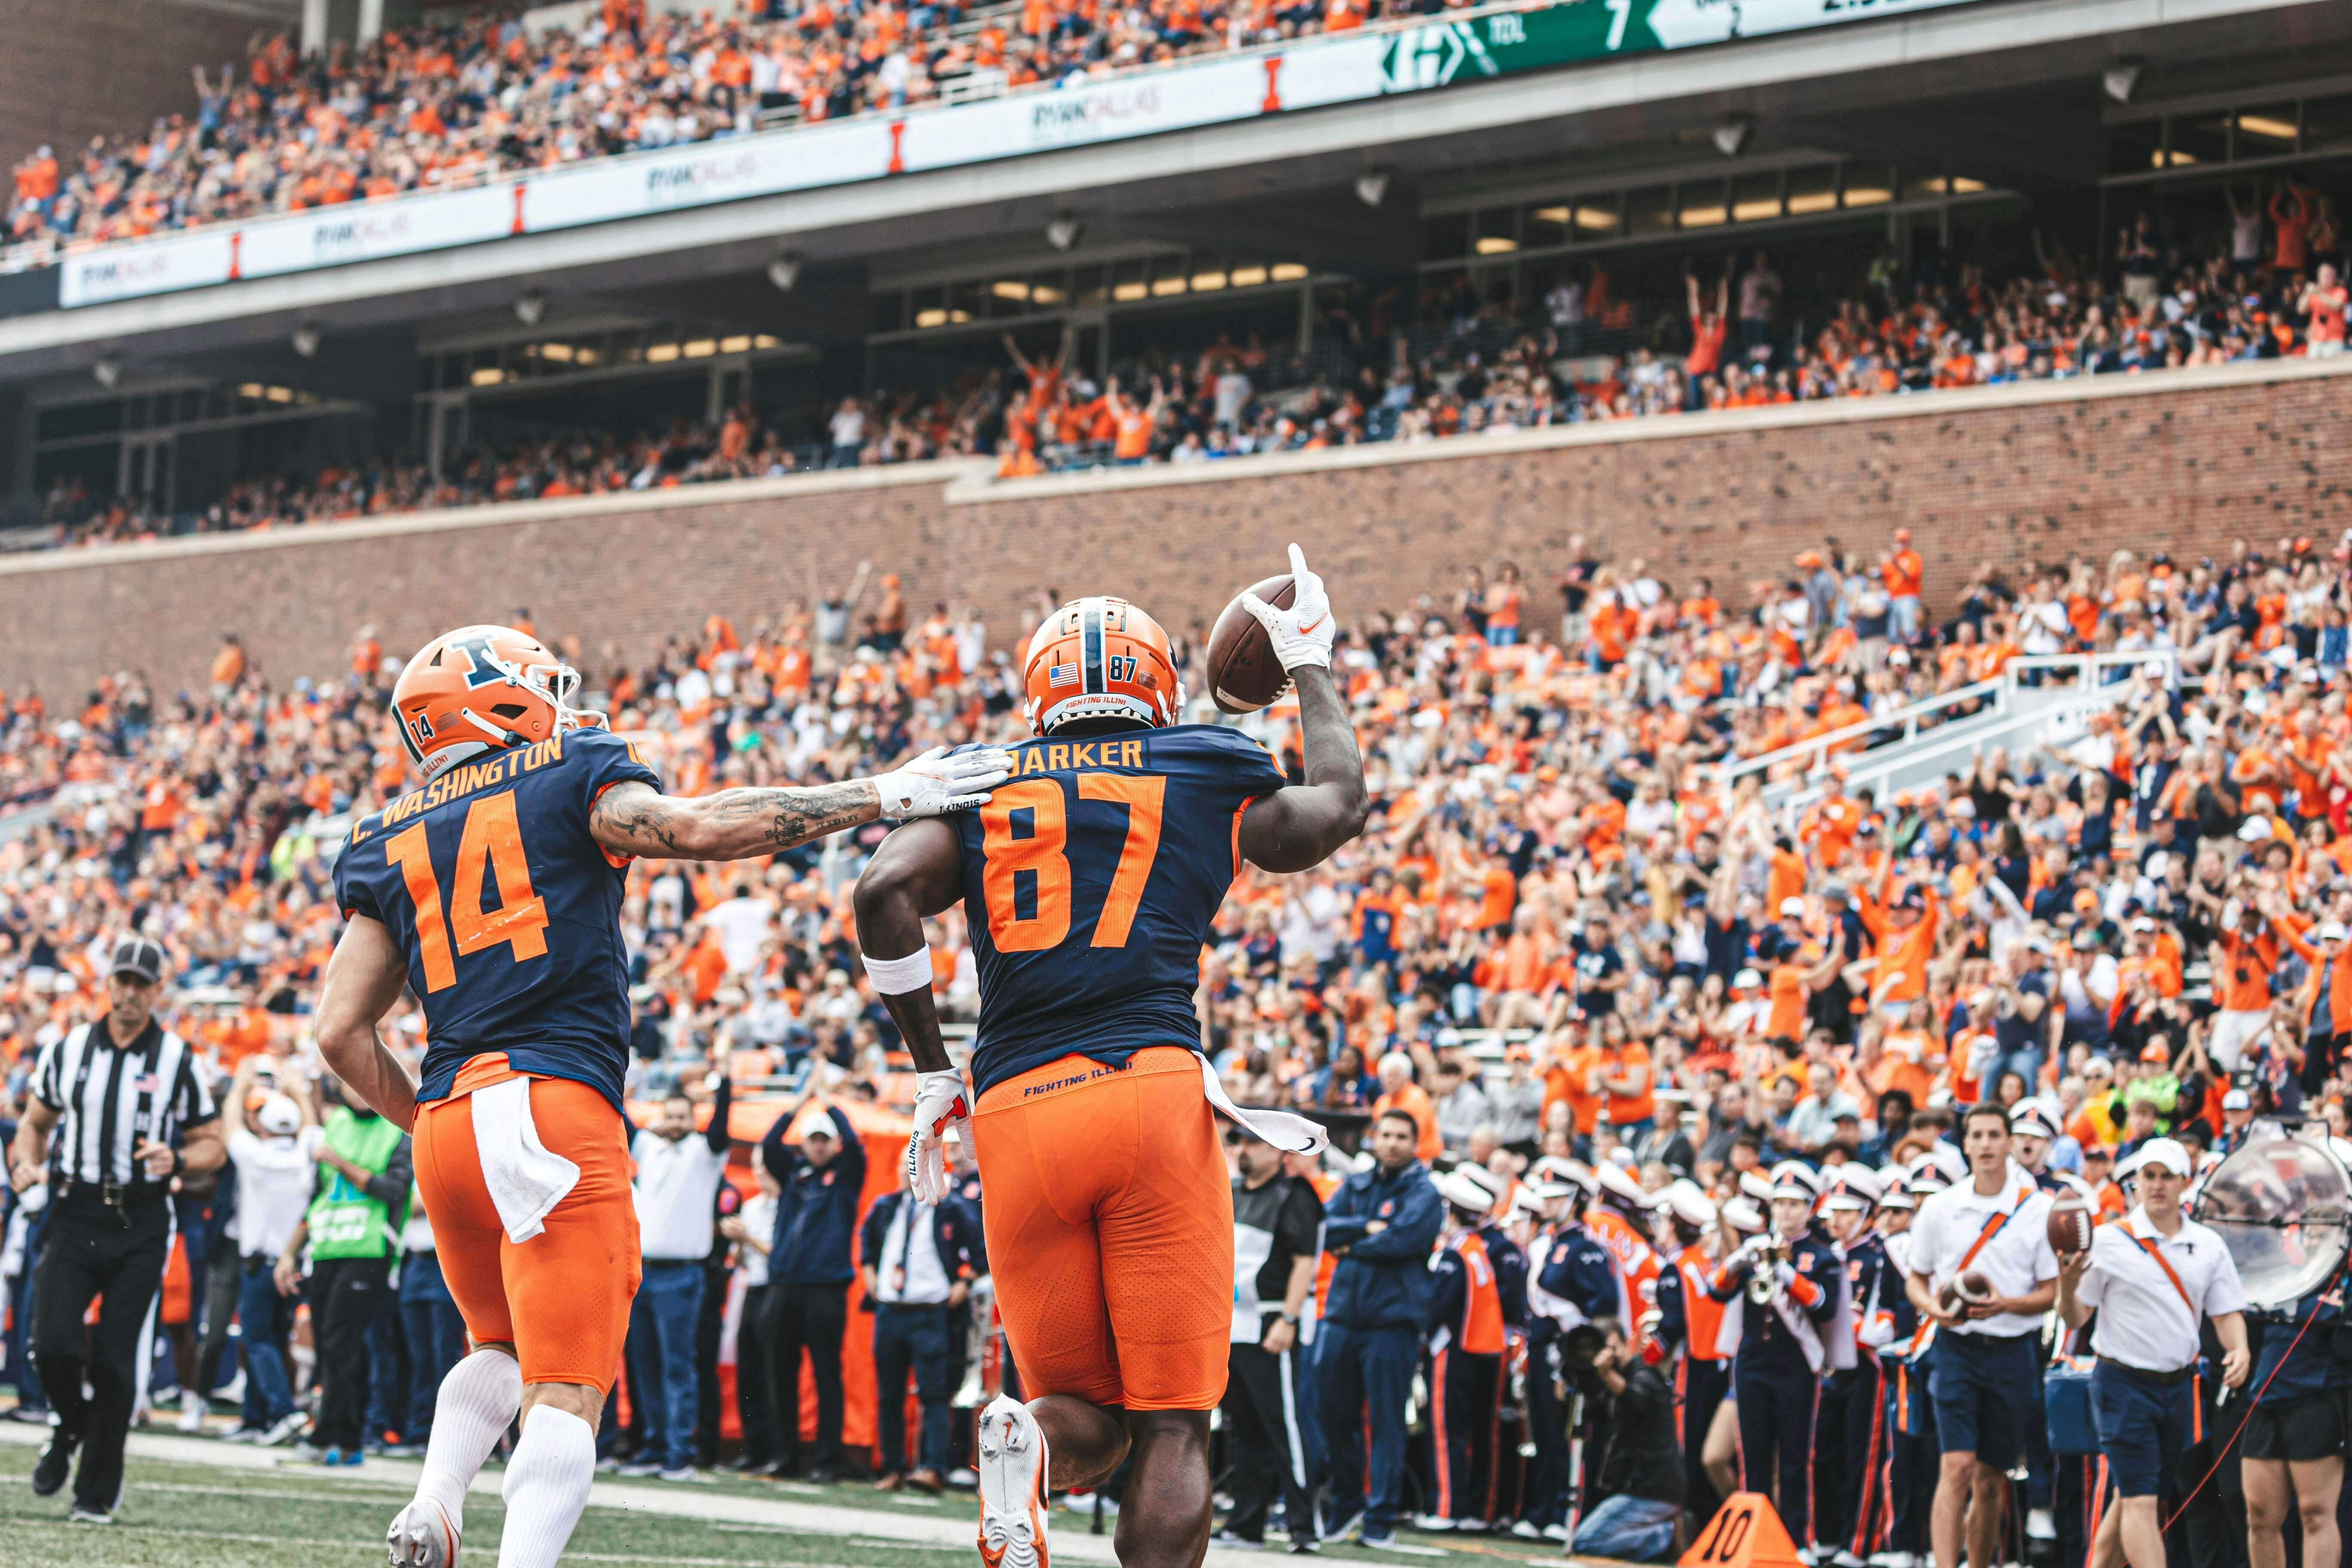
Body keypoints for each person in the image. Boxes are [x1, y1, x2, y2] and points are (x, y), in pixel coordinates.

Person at [310, 623, 1010, 1568]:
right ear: (497, 702)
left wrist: (438, 1118)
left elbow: (338, 1033)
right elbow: (700, 829)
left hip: (446, 1123)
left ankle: (437, 1505)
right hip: (551, 1101)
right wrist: (881, 794)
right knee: (566, 1386)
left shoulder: (382, 833)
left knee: (500, 1347)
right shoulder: (568, 767)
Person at [852, 549, 1366, 1568]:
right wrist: (1307, 664)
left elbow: (879, 895)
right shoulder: (1203, 761)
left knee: (1083, 1416)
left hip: (1013, 1109)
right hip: (1144, 1093)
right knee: (1174, 1424)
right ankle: (1032, 1451)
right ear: (1156, 680)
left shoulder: (982, 772)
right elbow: (1332, 808)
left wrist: (929, 1067)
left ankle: (1028, 1447)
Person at [6, 936, 227, 1525]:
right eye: (121, 981)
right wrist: (23, 1162)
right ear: (108, 985)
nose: (129, 993)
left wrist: (176, 1158)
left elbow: (213, 1144)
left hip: (142, 1219)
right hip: (75, 1211)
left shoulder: (178, 1059)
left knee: (113, 1360)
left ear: (157, 991)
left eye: (141, 983)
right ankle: (70, 1425)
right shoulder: (69, 1049)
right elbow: (34, 1124)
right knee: (50, 1344)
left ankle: (95, 1493)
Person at [2055, 1136, 2249, 1568]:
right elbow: (2075, 1317)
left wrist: (2240, 1350)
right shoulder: (2106, 1241)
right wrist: (2066, 1286)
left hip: (2177, 1385)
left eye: (2167, 1177)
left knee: (2133, 1497)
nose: (2158, 1185)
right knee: (2143, 1503)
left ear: (2186, 1182)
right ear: (2136, 1183)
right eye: (2149, 1176)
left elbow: (2226, 1312)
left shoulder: (2207, 1244)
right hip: (2123, 1384)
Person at [1905, 1103, 2058, 1568]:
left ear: (2010, 1142)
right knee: (1956, 1467)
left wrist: (2006, 1304)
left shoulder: (2039, 1210)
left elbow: (2051, 1293)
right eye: (1978, 1135)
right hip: (1957, 1347)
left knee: (1992, 1478)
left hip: (2014, 1350)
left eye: (1996, 1135)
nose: (1988, 1144)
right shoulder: (1941, 1207)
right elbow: (1916, 1277)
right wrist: (1934, 1309)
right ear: (1966, 1144)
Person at [1316, 1109, 1443, 1547]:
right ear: (1375, 1138)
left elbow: (1405, 1239)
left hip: (1393, 1323)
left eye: (1401, 1136)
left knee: (1388, 1423)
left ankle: (1381, 1518)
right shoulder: (1357, 1183)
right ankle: (1348, 1500)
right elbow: (1322, 1229)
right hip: (1342, 1317)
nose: (1392, 1143)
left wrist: (1354, 1245)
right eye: (1386, 1134)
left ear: (1415, 1142)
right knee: (1331, 1412)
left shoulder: (1425, 1191)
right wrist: (1365, 1229)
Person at [274, 1074, 415, 1465]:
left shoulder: (397, 1130)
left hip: (369, 1248)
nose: (355, 1087)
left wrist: (340, 1162)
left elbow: (394, 1191)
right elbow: (319, 1196)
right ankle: (349, 1438)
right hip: (327, 1246)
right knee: (331, 1343)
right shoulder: (336, 1124)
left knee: (341, 1340)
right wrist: (290, 1254)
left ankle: (327, 1436)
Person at [620, 1074, 735, 1480]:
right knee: (644, 1364)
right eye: (669, 1115)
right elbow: (623, 1120)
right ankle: (652, 1447)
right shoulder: (649, 1147)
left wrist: (725, 1081)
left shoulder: (704, 1152)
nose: (674, 1122)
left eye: (682, 1116)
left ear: (693, 1119)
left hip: (684, 1274)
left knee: (676, 1367)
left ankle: (678, 1452)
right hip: (644, 1271)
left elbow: (721, 1127)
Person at [1216, 1125, 1324, 1552]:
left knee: (1285, 1427)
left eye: (1256, 1142)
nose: (1245, 1150)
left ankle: (1303, 1526)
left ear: (1280, 1152)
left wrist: (1290, 1317)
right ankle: (1247, 1524)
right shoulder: (1232, 1190)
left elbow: (1305, 1262)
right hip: (1233, 1326)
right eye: (1241, 1141)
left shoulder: (1295, 1195)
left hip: (1269, 1321)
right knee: (1244, 1428)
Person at [758, 1083, 868, 1482]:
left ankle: (826, 1460)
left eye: (826, 1141)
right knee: (780, 1372)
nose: (819, 1147)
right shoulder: (793, 1177)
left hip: (825, 1289)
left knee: (826, 1374)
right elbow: (770, 1146)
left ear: (834, 1145)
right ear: (803, 1144)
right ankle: (785, 1455)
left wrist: (829, 1102)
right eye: (813, 1140)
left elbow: (856, 1147)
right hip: (784, 1285)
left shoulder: (845, 1179)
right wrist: (799, 1104)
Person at [859, 1146, 983, 1492]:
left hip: (930, 1312)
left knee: (934, 1393)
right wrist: (872, 1280)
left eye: (910, 1166)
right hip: (891, 1310)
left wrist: (965, 1282)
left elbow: (981, 1248)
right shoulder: (886, 1207)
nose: (905, 1172)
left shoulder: (950, 1208)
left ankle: (933, 1467)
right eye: (902, 1166)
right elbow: (867, 1246)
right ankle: (893, 1467)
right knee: (890, 1393)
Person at [219, 1054, 318, 1447]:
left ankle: (283, 1411)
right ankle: (254, 1417)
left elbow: (230, 1125)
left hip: (261, 1263)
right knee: (273, 1340)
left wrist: (241, 1084)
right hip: (293, 1263)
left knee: (258, 1340)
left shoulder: (255, 1154)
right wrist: (298, 1090)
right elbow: (311, 1126)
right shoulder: (306, 1151)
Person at [1570, 1316, 1686, 1562]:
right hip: (1637, 1490)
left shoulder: (1646, 1375)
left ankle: (1666, 1535)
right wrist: (1584, 1377)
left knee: (1586, 1542)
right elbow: (1594, 1412)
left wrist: (1607, 1374)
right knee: (1584, 1541)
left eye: (1610, 1347)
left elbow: (1635, 1400)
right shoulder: (1611, 1382)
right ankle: (1659, 1533)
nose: (1605, 1355)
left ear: (1623, 1343)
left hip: (1655, 1490)